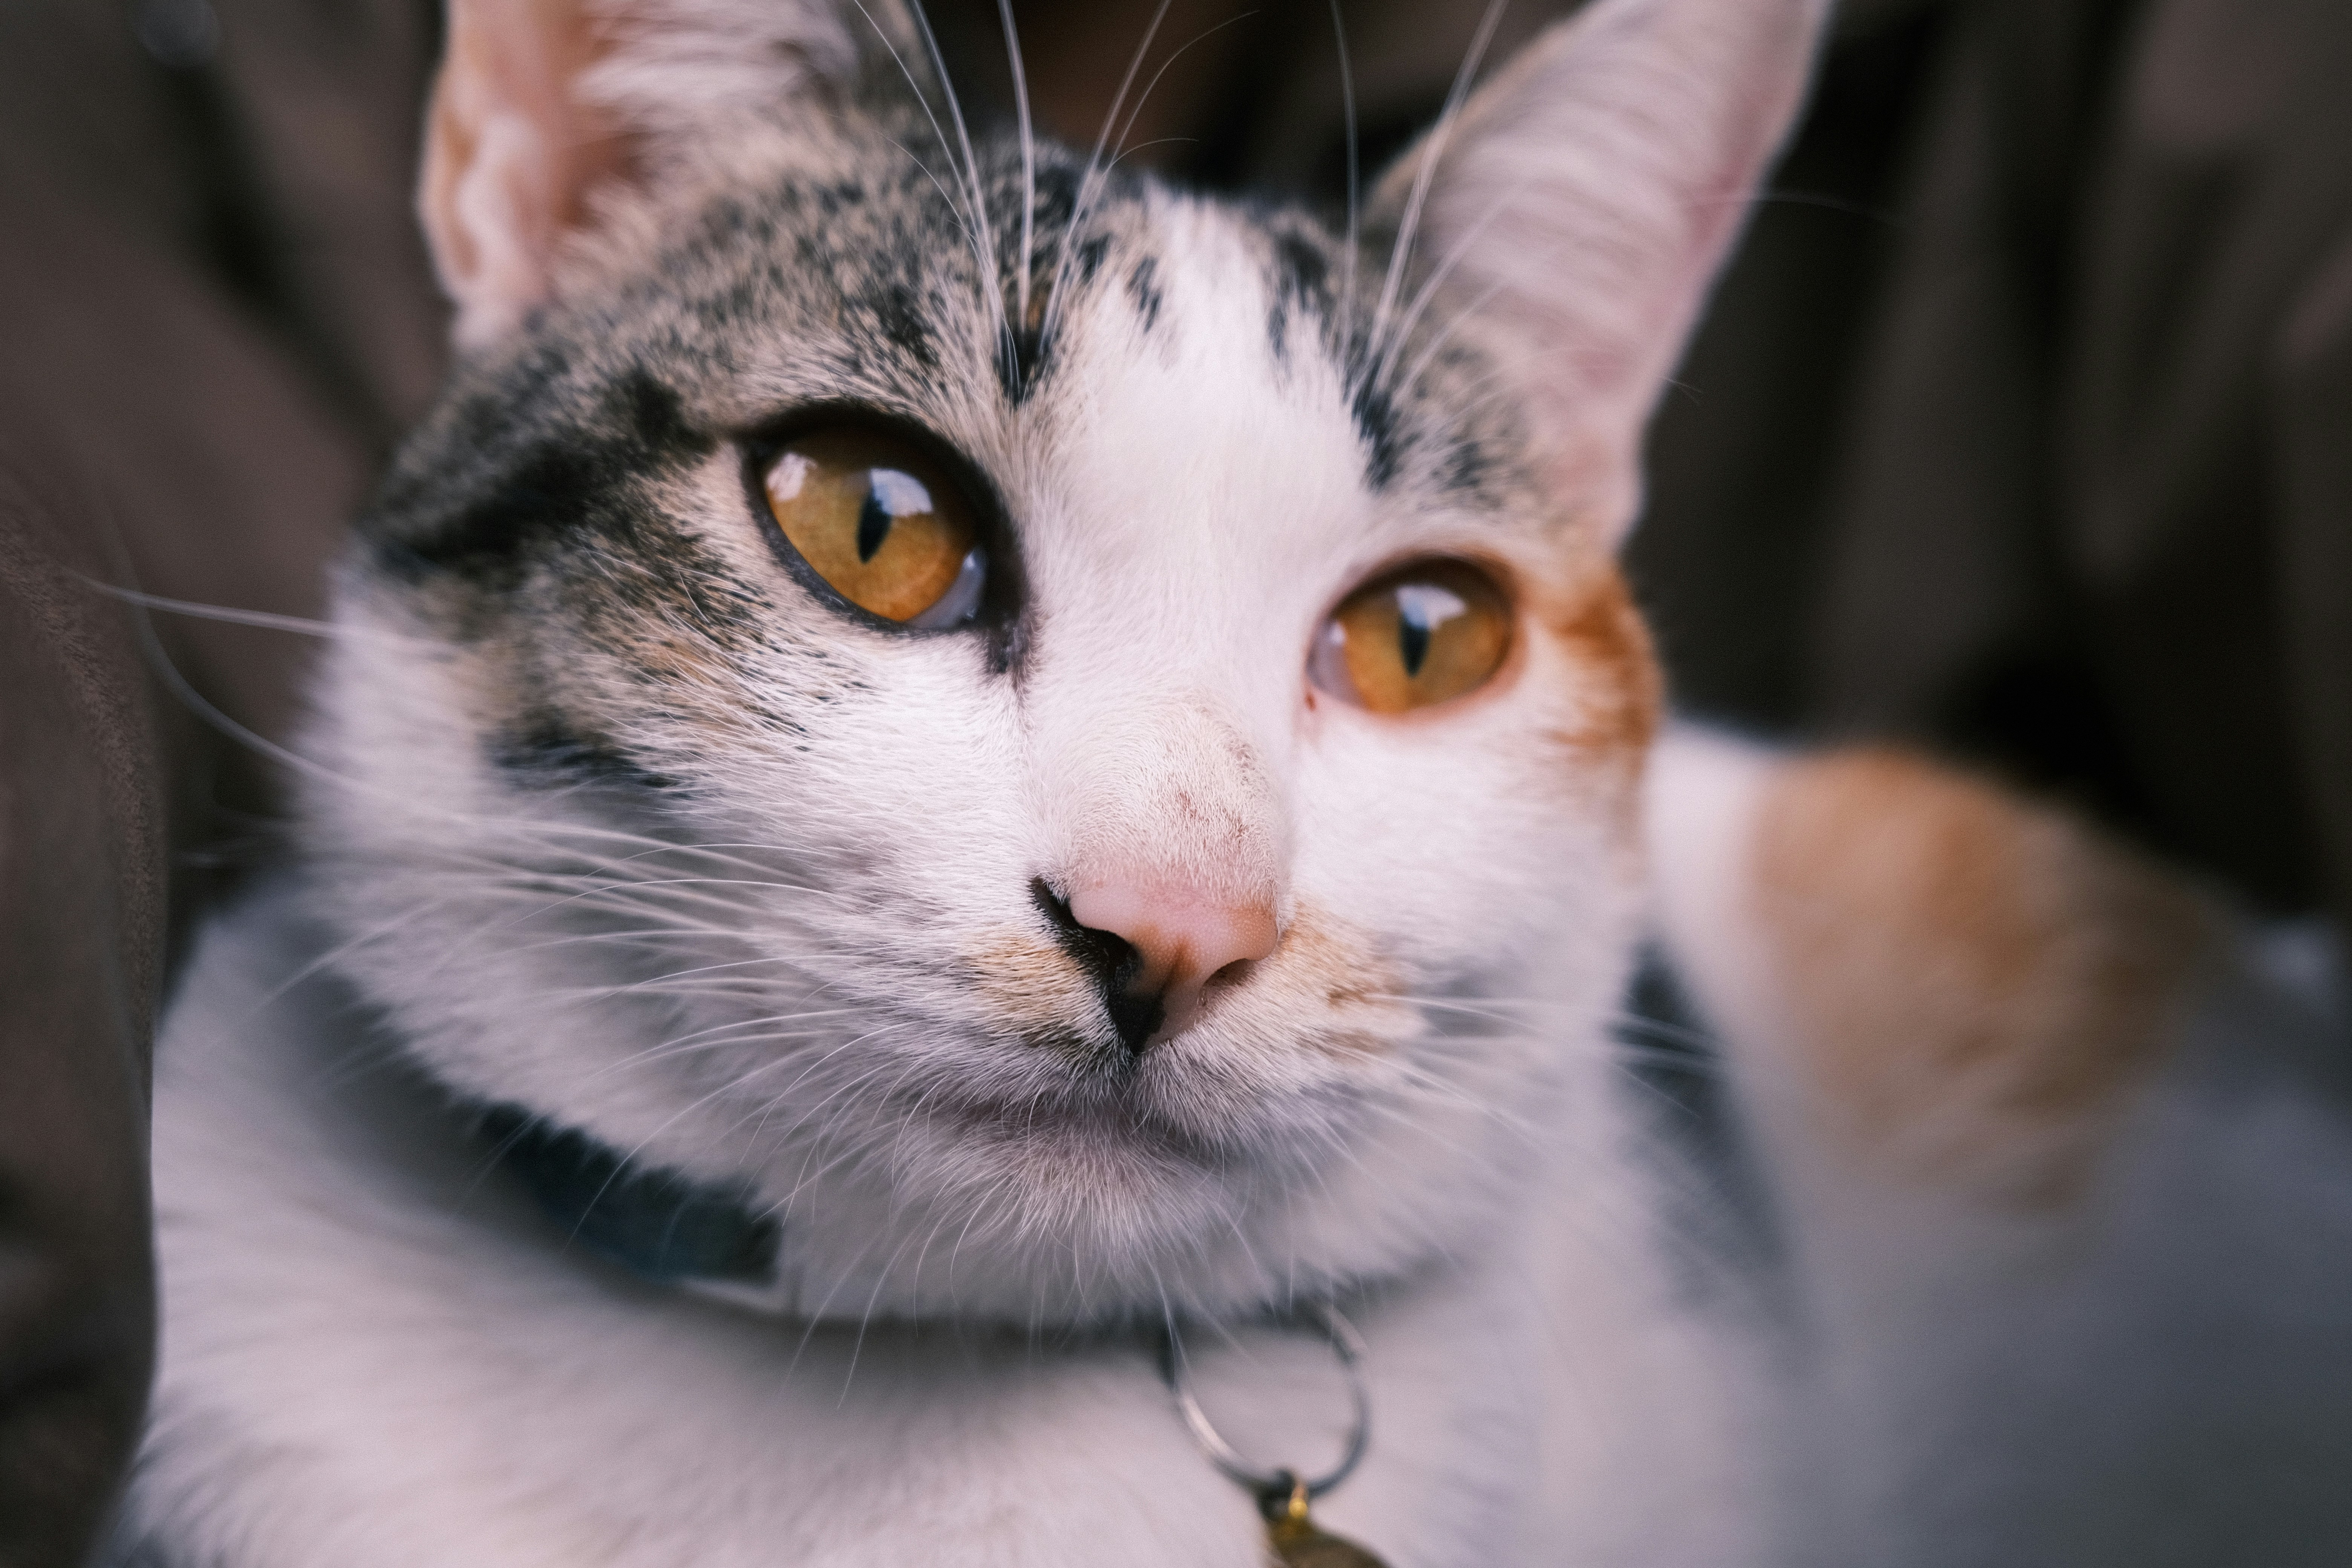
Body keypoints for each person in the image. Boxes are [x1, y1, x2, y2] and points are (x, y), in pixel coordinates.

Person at [2, 0, 2344, 1560]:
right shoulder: (172, 1283)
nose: (1178, 901)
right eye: (884, 529)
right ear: (564, 165)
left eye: (1407, 637)